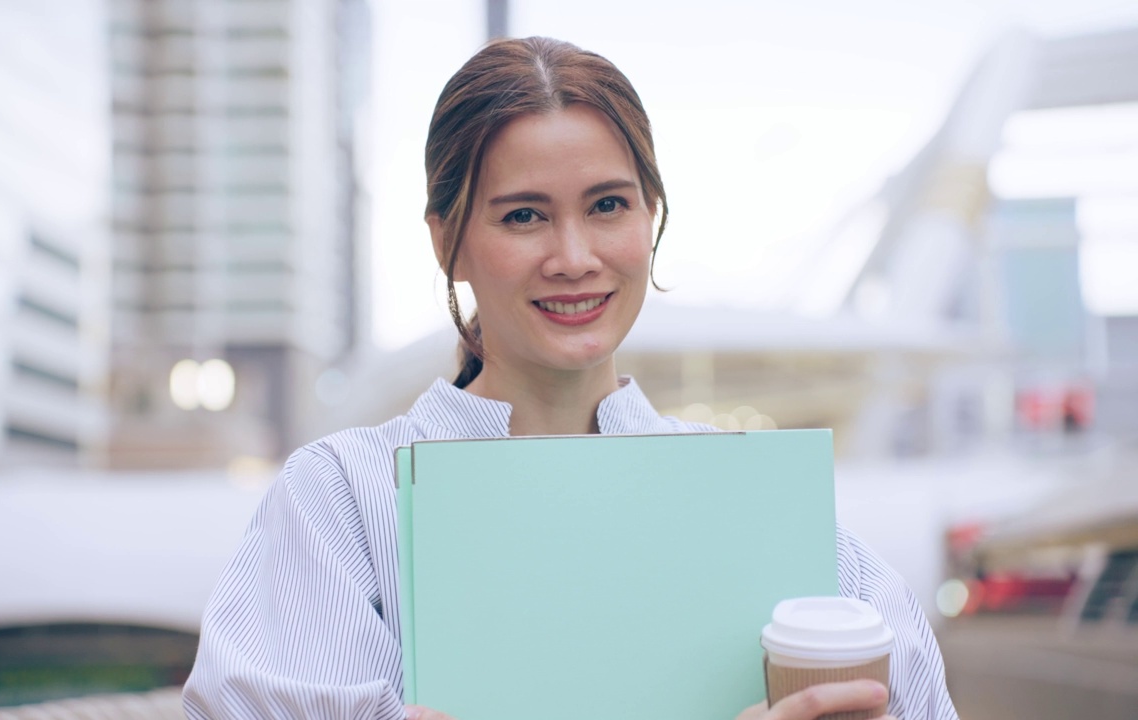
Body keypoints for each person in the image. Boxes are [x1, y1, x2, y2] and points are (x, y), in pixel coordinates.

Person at [183, 37, 959, 720]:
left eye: (608, 206)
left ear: (650, 220)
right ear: (446, 240)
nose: (574, 256)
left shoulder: (773, 513)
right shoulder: (340, 501)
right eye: (524, 216)